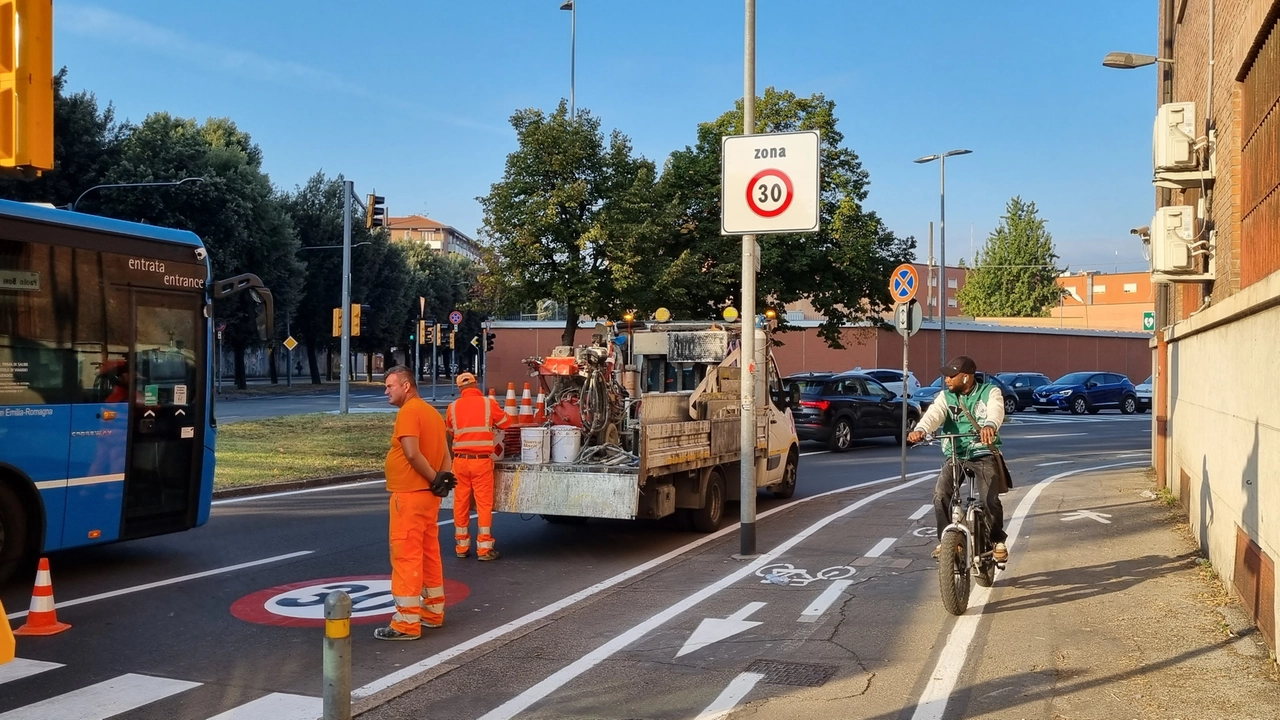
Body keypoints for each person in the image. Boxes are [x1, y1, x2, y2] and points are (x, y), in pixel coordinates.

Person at [376, 365, 453, 641]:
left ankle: (406, 623)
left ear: (406, 386)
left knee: (406, 556)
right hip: (428, 497)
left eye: (389, 386)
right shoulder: (432, 413)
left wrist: (433, 478)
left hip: (409, 494)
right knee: (429, 553)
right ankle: (433, 612)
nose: (386, 391)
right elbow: (446, 452)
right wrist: (442, 481)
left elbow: (411, 453)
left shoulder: (409, 412)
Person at [907, 355, 1009, 564]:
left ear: (966, 377)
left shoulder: (990, 392)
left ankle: (997, 540)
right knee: (940, 495)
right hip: (956, 455)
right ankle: (947, 540)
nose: (947, 380)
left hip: (983, 454)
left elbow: (996, 410)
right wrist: (920, 429)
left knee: (989, 499)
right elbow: (933, 415)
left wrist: (990, 425)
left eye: (952, 376)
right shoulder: (946, 397)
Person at [445, 372, 511, 561]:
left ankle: (461, 546)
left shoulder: (453, 407)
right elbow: (506, 423)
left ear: (459, 389)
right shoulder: (488, 404)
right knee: (483, 504)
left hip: (460, 461)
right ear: (476, 384)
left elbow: (449, 431)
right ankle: (484, 547)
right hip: (481, 461)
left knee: (461, 503)